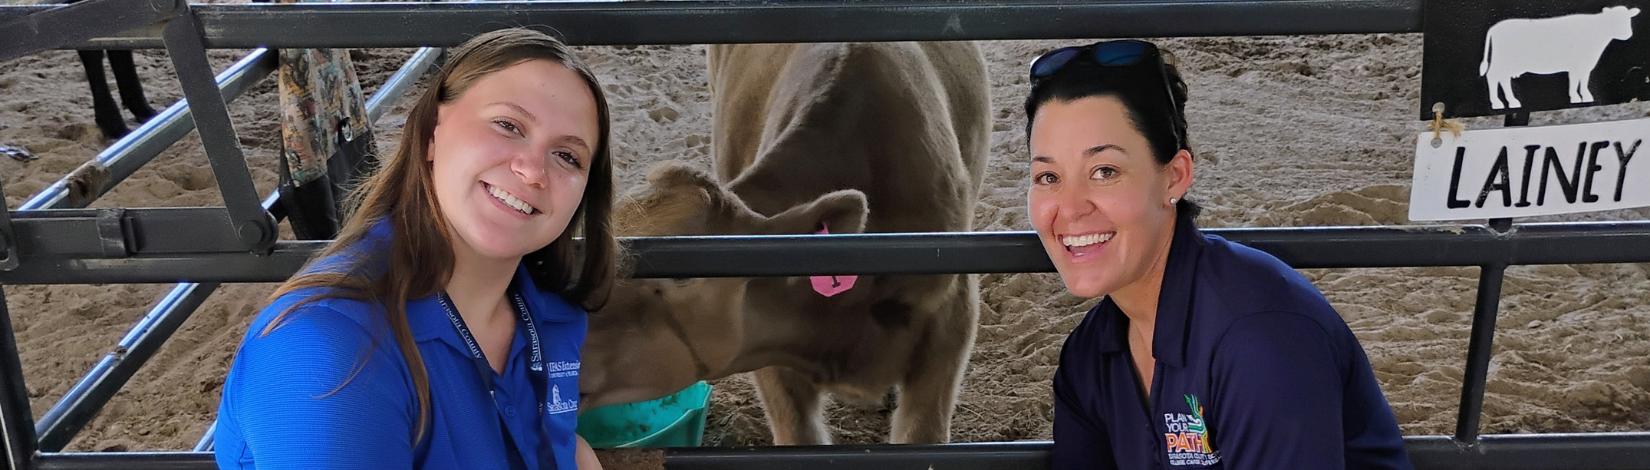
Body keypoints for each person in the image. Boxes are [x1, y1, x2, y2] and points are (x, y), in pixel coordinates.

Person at [214, 28, 616, 470]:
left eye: (568, 156)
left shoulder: (551, 314)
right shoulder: (328, 348)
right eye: (508, 125)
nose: (533, 170)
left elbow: (558, 451)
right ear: (431, 134)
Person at [1024, 40, 1413, 469]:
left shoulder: (1259, 339)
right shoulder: (1091, 355)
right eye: (1048, 176)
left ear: (1174, 177)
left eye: (1105, 172)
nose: (1071, 207)